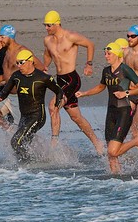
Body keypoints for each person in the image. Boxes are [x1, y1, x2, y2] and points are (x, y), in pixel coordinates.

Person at [79, 40, 138, 173]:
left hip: (124, 110)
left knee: (113, 151)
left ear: (117, 54)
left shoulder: (125, 69)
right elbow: (101, 86)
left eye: (109, 53)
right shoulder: (106, 71)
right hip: (111, 112)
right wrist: (84, 93)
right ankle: (115, 179)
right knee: (110, 154)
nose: (106, 56)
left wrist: (126, 92)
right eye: (105, 53)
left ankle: (137, 141)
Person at [40, 10, 105, 155]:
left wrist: (89, 64)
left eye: (48, 25)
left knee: (52, 106)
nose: (46, 28)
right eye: (45, 25)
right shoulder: (47, 40)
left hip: (71, 79)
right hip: (59, 80)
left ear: (57, 24)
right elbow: (47, 54)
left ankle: (54, 144)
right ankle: (97, 142)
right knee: (76, 117)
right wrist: (45, 66)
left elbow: (90, 44)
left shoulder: (70, 36)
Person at [0, 49, 63, 163]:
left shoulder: (43, 77)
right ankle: (35, 162)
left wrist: (57, 103)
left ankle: (28, 163)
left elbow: (59, 91)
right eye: (17, 63)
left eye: (21, 62)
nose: (19, 66)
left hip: (37, 116)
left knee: (15, 142)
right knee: (23, 143)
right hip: (24, 116)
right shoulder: (17, 76)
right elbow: (6, 90)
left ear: (30, 61)